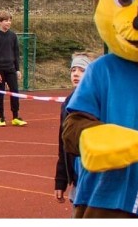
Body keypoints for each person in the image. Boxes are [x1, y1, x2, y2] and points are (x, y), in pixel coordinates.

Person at [55, 53, 92, 206]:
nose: (76, 73)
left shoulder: (99, 100)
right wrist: (61, 180)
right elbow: (63, 143)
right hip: (77, 176)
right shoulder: (67, 103)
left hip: (95, 175)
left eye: (81, 70)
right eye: (73, 70)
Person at [0, 10, 27, 126]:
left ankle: (15, 117)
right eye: (6, 21)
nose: (8, 23)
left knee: (15, 92)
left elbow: (16, 54)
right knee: (0, 94)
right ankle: (1, 117)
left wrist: (17, 69)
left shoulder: (13, 36)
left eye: (10, 20)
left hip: (11, 69)